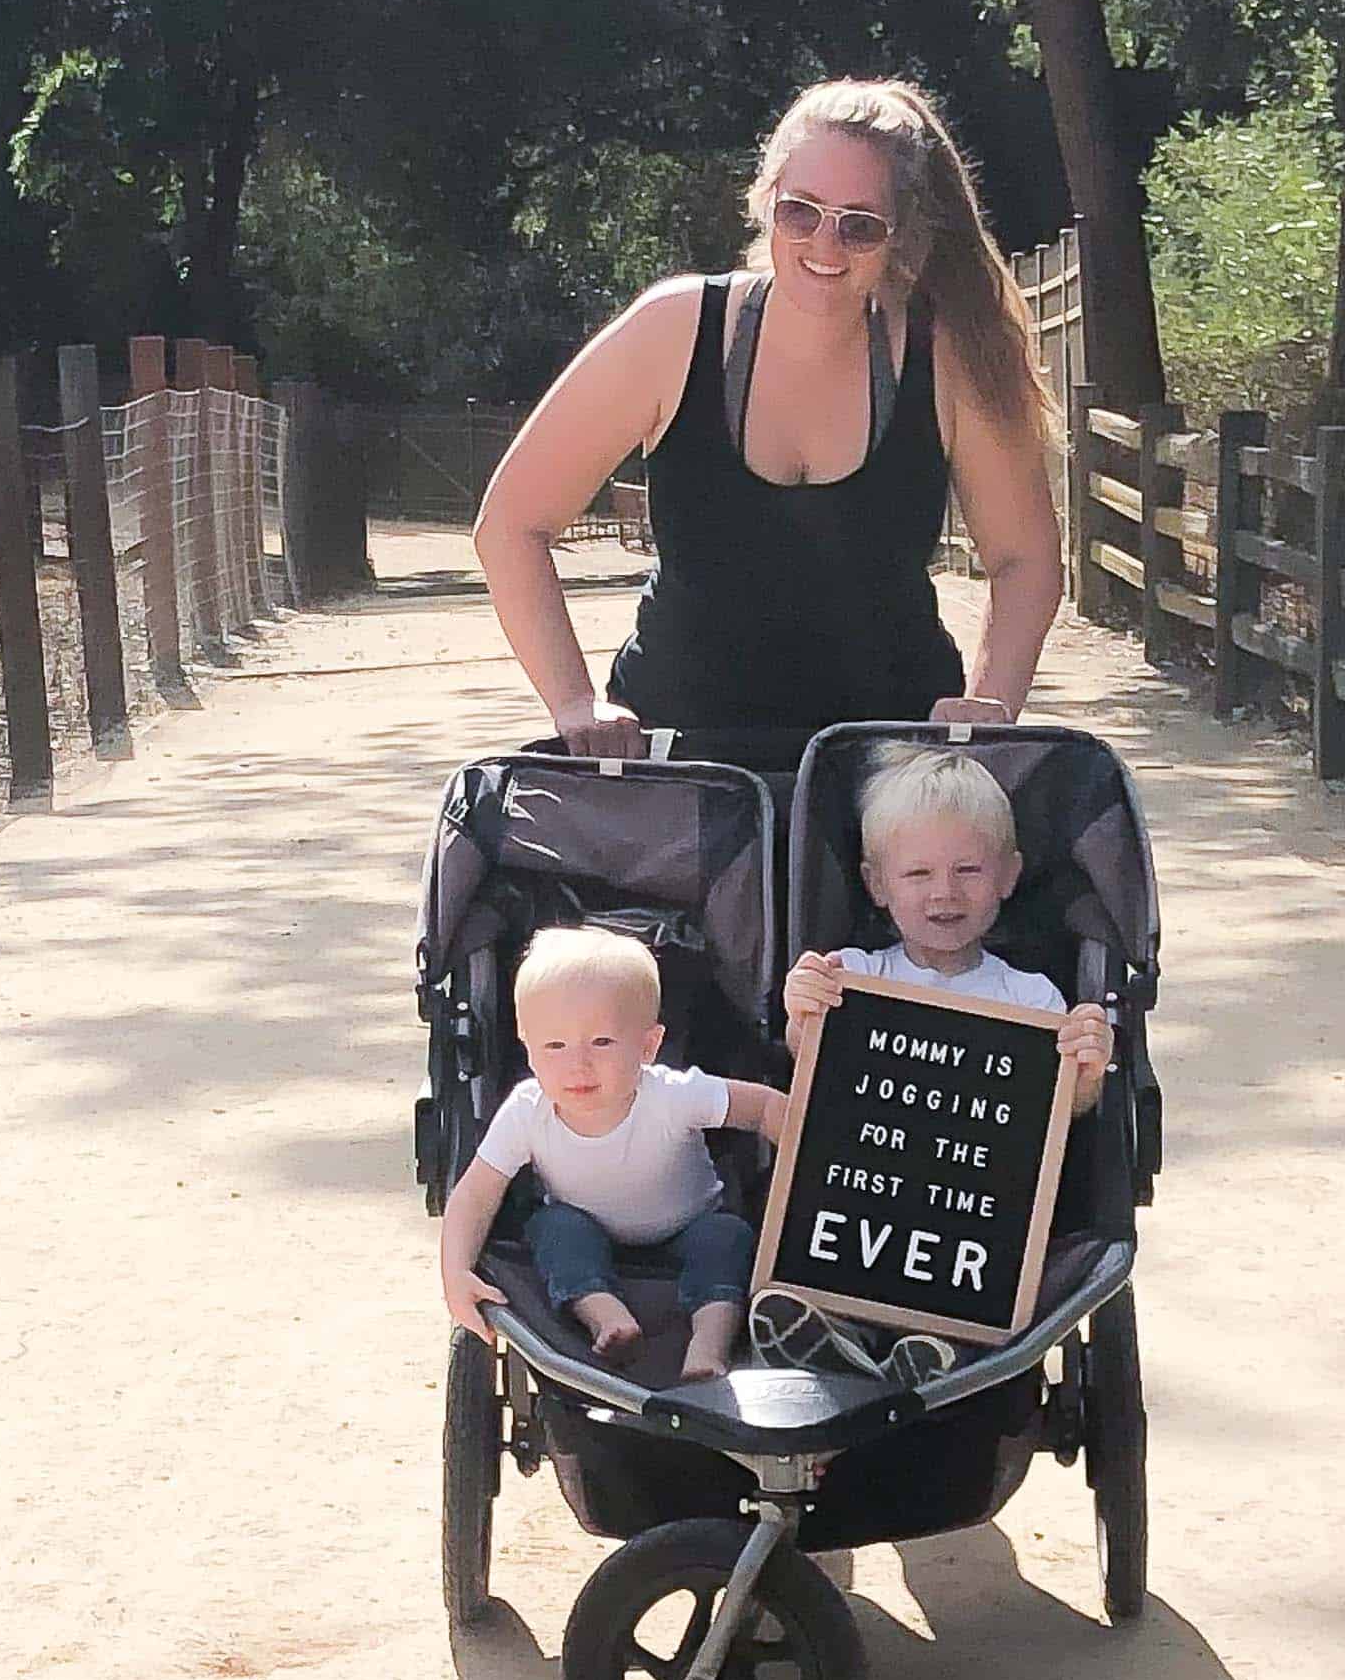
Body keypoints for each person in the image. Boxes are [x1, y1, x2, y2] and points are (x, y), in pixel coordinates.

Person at [473, 77, 1066, 751]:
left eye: (860, 225)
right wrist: (576, 704)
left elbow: (1025, 557)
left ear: (901, 235)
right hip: (684, 770)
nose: (826, 244)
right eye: (801, 212)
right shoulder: (673, 332)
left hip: (891, 782)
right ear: (764, 201)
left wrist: (989, 704)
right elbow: (510, 526)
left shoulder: (947, 357)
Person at [751, 748, 1113, 1384]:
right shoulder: (853, 977)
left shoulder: (1032, 999)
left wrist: (1085, 1069)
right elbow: (810, 1065)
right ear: (877, 885)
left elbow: (1061, 1115)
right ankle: (842, 1337)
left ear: (1008, 876)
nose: (945, 892)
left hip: (974, 1223)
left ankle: (945, 1351)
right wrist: (800, 1008)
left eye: (968, 869)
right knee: (839, 1257)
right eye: (918, 873)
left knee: (977, 1269)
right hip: (862, 1203)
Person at [439, 929, 786, 1380]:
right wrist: (455, 1270)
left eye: (601, 1043)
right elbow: (476, 1194)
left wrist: (817, 1157)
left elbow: (764, 1108)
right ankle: (605, 1314)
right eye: (554, 1046)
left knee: (728, 1238)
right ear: (526, 1043)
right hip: (587, 1229)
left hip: (690, 1222)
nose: (577, 1065)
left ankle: (709, 1347)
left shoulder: (672, 1096)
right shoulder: (528, 1110)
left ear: (648, 1045)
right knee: (553, 1227)